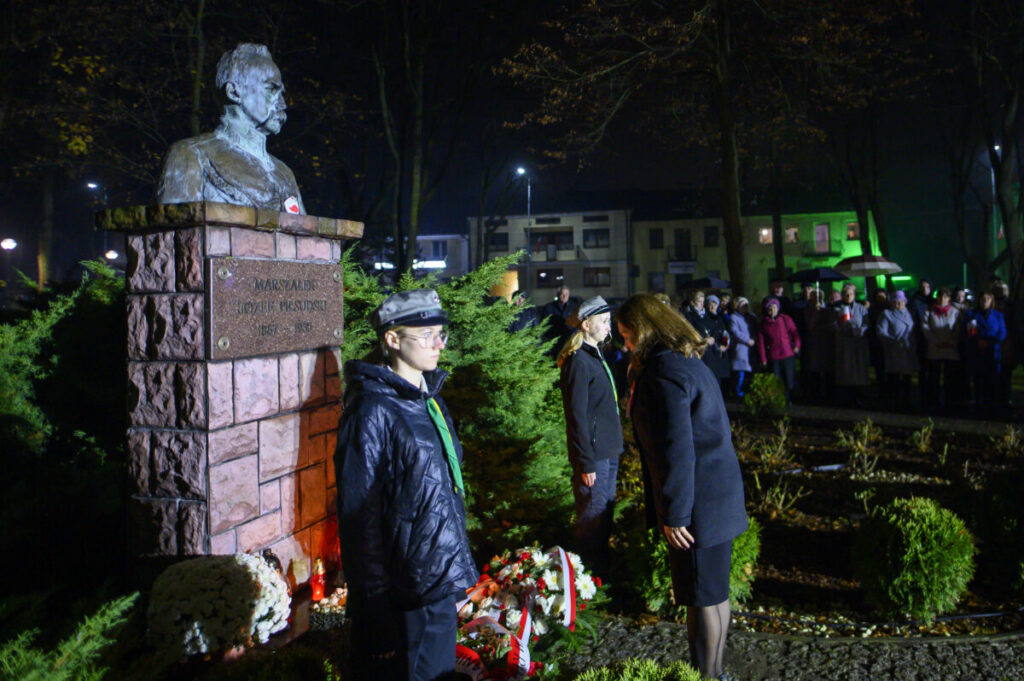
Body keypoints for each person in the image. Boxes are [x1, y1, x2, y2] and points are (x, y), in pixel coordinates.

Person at [334, 289, 477, 681]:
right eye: (426, 334)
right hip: (408, 589)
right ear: (392, 340)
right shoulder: (371, 410)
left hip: (435, 581)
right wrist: (372, 607)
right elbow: (358, 517)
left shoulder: (427, 398)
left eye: (441, 334)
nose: (438, 343)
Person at [616, 294, 748, 681]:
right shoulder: (684, 362)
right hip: (716, 496)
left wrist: (674, 515)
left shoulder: (664, 373)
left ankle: (706, 676)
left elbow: (677, 449)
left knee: (700, 599)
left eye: (626, 335)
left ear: (643, 329)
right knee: (714, 594)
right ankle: (716, 673)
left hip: (696, 506)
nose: (625, 344)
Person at [156, 43, 305, 213]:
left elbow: (308, 235)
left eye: (282, 93)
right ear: (234, 92)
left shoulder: (284, 173)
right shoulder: (191, 154)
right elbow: (172, 228)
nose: (282, 104)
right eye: (271, 89)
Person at [557, 296, 623, 577]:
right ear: (586, 324)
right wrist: (585, 462)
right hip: (594, 457)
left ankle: (599, 575)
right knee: (590, 522)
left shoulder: (595, 356)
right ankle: (583, 581)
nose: (610, 327)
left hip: (608, 450)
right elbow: (577, 417)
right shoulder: (579, 362)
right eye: (604, 322)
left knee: (603, 516)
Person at [875, 290, 919, 410]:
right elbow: (880, 331)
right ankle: (893, 402)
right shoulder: (887, 314)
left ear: (905, 302)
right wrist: (892, 341)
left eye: (901, 302)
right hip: (894, 351)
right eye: (896, 302)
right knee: (894, 378)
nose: (899, 304)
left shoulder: (909, 314)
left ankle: (906, 401)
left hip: (907, 350)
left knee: (906, 378)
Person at [921, 287, 961, 410]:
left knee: (949, 376)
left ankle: (949, 401)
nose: (942, 299)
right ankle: (933, 401)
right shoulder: (929, 311)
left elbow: (957, 329)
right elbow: (925, 328)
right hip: (935, 349)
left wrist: (949, 341)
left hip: (950, 349)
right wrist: (936, 341)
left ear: (949, 298)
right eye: (940, 296)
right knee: (934, 376)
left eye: (945, 297)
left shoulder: (955, 311)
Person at [965, 291, 1007, 409]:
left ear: (991, 301)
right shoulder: (971, 314)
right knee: (978, 380)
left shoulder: (998, 316)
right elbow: (970, 332)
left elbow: (1002, 333)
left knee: (992, 380)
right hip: (977, 352)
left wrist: (989, 342)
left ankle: (991, 405)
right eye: (983, 298)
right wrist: (978, 341)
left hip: (993, 352)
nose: (985, 301)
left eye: (988, 299)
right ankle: (979, 404)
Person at [757, 297, 801, 405]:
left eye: (774, 308)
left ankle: (790, 399)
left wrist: (797, 346)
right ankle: (780, 401)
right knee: (777, 381)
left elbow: (795, 333)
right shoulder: (764, 323)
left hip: (787, 354)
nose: (772, 311)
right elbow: (761, 342)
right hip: (774, 356)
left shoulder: (785, 319)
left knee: (789, 380)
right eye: (770, 309)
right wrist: (763, 358)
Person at [832, 283, 871, 405]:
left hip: (858, 344)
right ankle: (846, 396)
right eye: (845, 294)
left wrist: (859, 331)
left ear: (854, 295)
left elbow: (866, 324)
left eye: (850, 294)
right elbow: (834, 325)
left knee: (859, 371)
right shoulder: (837, 309)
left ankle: (859, 395)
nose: (848, 296)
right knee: (846, 370)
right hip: (845, 344)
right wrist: (842, 329)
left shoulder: (861, 309)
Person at [801, 290, 834, 401]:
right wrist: (815, 313)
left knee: (827, 371)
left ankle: (829, 395)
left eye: (819, 297)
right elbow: (809, 325)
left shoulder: (829, 310)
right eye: (814, 297)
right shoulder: (808, 311)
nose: (817, 299)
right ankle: (815, 395)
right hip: (814, 344)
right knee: (815, 370)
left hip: (826, 344)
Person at [727, 297, 756, 398]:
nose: (745, 308)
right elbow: (735, 332)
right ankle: (737, 393)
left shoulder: (751, 317)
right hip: (741, 348)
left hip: (750, 349)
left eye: (746, 306)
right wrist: (747, 340)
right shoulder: (734, 318)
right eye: (742, 306)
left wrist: (754, 339)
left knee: (749, 372)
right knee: (740, 373)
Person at [704, 295, 732, 392]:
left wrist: (725, 345)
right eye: (710, 305)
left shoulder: (720, 319)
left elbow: (725, 333)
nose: (712, 307)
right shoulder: (705, 318)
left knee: (719, 380)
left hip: (720, 353)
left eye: (714, 305)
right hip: (711, 353)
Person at [542, 285, 576, 355]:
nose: (564, 296)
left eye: (566, 294)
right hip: (554, 341)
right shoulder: (549, 308)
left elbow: (576, 323)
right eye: (562, 294)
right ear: (558, 295)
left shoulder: (574, 307)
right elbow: (544, 325)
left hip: (569, 340)